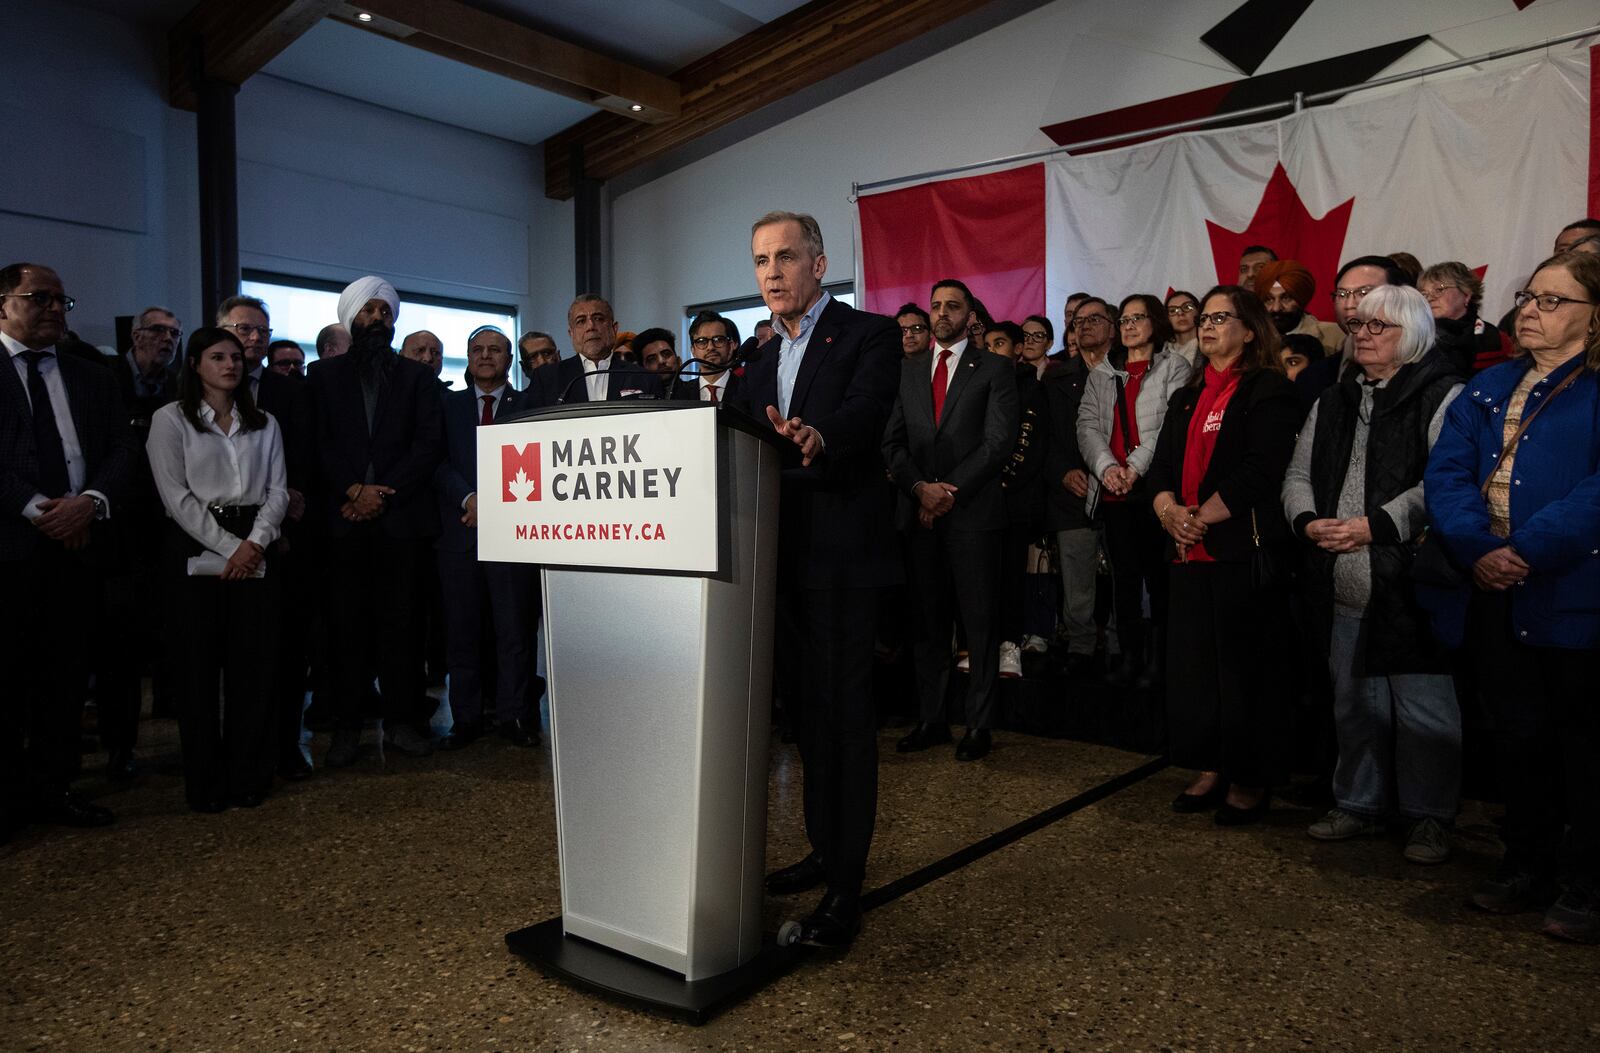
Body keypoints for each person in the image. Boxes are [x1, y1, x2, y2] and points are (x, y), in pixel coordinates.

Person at [731, 210, 900, 949]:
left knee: (844, 721)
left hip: (842, 559)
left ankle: (846, 882)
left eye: (785, 257)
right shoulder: (756, 356)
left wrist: (818, 435)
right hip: (778, 560)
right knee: (804, 718)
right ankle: (822, 848)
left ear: (819, 264)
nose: (771, 272)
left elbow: (864, 416)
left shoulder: (869, 334)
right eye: (761, 259)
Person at [1426, 251, 1600, 944]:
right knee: (1518, 738)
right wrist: (1479, 546)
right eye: (1528, 296)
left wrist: (1526, 549)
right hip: (1494, 590)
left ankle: (1586, 880)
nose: (1529, 309)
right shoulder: (1488, 385)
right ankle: (1524, 863)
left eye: (1552, 301)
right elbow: (1446, 474)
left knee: (1584, 746)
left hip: (1572, 591)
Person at [1282, 285, 1464, 864]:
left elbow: (1444, 483)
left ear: (1411, 333)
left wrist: (1373, 526)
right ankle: (1357, 803)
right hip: (1341, 580)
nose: (1361, 333)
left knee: (1424, 712)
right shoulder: (1332, 399)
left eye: (1377, 326)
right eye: (1358, 324)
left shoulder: (1444, 395)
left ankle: (1429, 818)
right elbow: (1297, 473)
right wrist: (1308, 522)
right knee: (1353, 705)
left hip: (1411, 582)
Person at [1148, 285, 1299, 825]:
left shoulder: (1267, 389)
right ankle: (1210, 764)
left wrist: (1197, 518)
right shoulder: (1186, 394)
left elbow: (1262, 468)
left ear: (1250, 328)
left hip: (1239, 550)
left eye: (1220, 317)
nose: (1207, 325)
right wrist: (1169, 510)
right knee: (1196, 670)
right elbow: (1161, 466)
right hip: (1187, 551)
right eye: (1203, 317)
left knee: (1245, 672)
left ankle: (1250, 775)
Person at [1, 262, 132, 840]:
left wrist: (92, 502)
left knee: (65, 674)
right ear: (3, 303)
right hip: (9, 548)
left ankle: (56, 787)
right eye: (40, 297)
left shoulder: (92, 375)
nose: (55, 308)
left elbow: (125, 447)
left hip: (81, 547)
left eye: (63, 301)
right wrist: (41, 510)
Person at [146, 328, 288, 812]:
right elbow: (176, 496)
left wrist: (256, 543)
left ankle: (249, 774)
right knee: (197, 671)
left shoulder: (264, 422)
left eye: (235, 357)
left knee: (254, 667)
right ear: (194, 364)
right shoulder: (171, 420)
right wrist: (232, 548)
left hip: (255, 538)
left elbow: (278, 491)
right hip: (194, 540)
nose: (230, 365)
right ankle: (205, 783)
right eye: (217, 357)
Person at [306, 276, 444, 767]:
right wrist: (351, 490)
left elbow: (427, 446)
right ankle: (347, 727)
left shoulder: (417, 378)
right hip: (342, 523)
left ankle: (402, 722)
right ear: (351, 318)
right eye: (368, 312)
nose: (377, 320)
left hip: (399, 522)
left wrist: (381, 494)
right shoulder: (321, 377)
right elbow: (317, 444)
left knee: (404, 628)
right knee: (344, 630)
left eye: (385, 313)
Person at [884, 280, 1018, 760]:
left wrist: (946, 492)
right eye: (936, 306)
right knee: (928, 625)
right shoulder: (908, 370)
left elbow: (997, 443)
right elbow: (893, 444)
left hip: (973, 516)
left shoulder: (997, 369)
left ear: (970, 316)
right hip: (921, 517)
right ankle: (933, 719)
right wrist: (920, 488)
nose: (942, 314)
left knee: (978, 626)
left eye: (952, 306)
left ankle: (979, 725)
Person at [215, 294, 313, 781]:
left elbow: (311, 454)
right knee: (228, 654)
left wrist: (293, 501)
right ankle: (232, 750)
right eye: (243, 329)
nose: (253, 338)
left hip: (284, 535)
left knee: (286, 647)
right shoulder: (193, 392)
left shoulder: (291, 391)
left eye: (261, 331)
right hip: (215, 540)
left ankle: (286, 744)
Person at [1078, 293, 1193, 694]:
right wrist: (1109, 469)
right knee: (1124, 583)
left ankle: (1159, 663)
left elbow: (1168, 425)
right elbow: (1087, 427)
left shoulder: (1174, 366)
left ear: (1155, 323)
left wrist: (1134, 468)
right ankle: (1128, 657)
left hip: (1153, 493)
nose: (1128, 326)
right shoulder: (1101, 373)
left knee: (1159, 582)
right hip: (1114, 495)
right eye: (1123, 319)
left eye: (1137, 318)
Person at [434, 326, 541, 750]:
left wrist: (495, 502)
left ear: (509, 358)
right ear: (467, 357)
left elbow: (537, 461)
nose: (485, 356)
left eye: (494, 350)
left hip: (514, 537)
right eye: (477, 350)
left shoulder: (529, 405)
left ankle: (515, 717)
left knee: (514, 632)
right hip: (460, 534)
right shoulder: (448, 406)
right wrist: (470, 498)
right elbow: (437, 462)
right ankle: (466, 720)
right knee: (462, 633)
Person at [98, 306, 182, 776]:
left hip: (166, 526)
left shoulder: (178, 390)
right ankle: (118, 745)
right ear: (135, 336)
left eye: (174, 333)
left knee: (168, 632)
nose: (167, 340)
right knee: (118, 644)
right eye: (158, 331)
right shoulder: (104, 378)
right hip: (116, 528)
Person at [985, 320, 1052, 672]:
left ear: (1017, 350)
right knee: (984, 577)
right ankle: (982, 646)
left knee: (1012, 575)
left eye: (1000, 343)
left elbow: (1028, 445)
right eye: (989, 344)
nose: (993, 350)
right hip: (982, 499)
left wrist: (1000, 482)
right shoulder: (980, 385)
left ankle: (1010, 645)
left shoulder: (1031, 387)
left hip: (1015, 498)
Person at [525, 295, 664, 404]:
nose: (591, 326)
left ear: (614, 329)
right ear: (571, 334)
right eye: (581, 321)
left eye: (598, 318)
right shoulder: (546, 379)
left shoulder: (646, 378)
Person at [1418, 261, 1510, 376]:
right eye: (1424, 294)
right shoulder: (1416, 337)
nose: (1430, 298)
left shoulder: (1494, 339)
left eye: (1439, 290)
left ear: (1466, 294)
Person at [1255, 260, 1342, 354]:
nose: (1276, 308)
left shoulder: (1335, 336)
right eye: (1269, 300)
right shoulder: (1251, 340)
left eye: (1286, 298)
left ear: (1301, 299)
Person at [672, 311, 743, 403]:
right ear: (693, 350)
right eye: (702, 341)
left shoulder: (748, 389)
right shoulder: (679, 395)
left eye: (718, 340)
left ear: (730, 346)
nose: (710, 347)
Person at [1166, 290, 1200, 365]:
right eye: (1172, 310)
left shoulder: (1209, 346)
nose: (1180, 313)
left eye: (1187, 307)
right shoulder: (1159, 351)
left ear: (1198, 311)